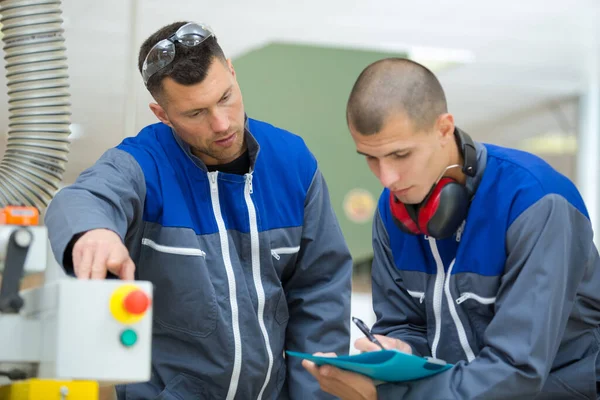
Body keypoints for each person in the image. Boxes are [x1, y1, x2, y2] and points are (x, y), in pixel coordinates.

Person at [45, 20, 353, 399]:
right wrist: (92, 231)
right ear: (162, 114)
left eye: (225, 97)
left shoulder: (293, 162)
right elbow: (81, 198)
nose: (222, 124)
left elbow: (320, 295)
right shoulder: (143, 165)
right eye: (195, 113)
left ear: (233, 73)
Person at [303, 57, 600, 399]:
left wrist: (385, 396)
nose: (387, 178)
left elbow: (516, 369)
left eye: (400, 155)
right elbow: (406, 324)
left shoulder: (536, 202)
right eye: (371, 158)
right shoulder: (391, 211)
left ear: (444, 128)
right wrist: (401, 349)